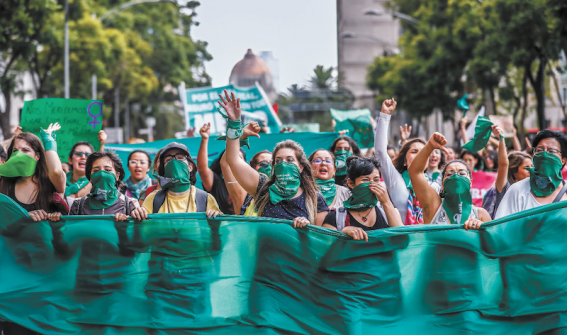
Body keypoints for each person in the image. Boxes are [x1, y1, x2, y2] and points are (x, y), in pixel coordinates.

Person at [219, 90, 328, 227]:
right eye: (278, 161)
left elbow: (323, 240)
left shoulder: (314, 199)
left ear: (300, 167)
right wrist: (235, 123)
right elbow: (233, 159)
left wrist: (307, 228)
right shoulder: (264, 189)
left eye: (290, 160)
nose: (283, 164)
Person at [0, 124, 67, 335]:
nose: (19, 155)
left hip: (46, 269)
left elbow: (57, 170)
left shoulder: (50, 183)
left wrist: (49, 140)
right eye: (15, 151)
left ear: (38, 156)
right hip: (13, 268)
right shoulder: (4, 185)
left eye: (26, 151)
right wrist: (22, 219)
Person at [374, 98, 440, 225]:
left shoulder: (435, 187)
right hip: (400, 242)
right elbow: (381, 152)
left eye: (423, 153)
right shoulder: (396, 181)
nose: (419, 156)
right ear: (404, 161)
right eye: (415, 151)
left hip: (426, 241)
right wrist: (385, 115)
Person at [408, 132, 491, 227]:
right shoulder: (433, 206)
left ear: (471, 182)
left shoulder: (481, 215)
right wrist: (429, 147)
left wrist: (482, 228)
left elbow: (494, 240)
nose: (456, 176)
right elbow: (415, 172)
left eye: (462, 173)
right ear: (442, 183)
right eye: (450, 174)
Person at [322, 156, 403, 241]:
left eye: (376, 180)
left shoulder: (387, 212)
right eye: (365, 180)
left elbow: (403, 239)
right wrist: (342, 233)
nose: (371, 184)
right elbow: (325, 249)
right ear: (351, 183)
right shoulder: (336, 217)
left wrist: (386, 202)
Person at [495, 130, 567, 219]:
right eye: (539, 150)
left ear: (563, 160)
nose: (544, 155)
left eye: (551, 151)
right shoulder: (518, 191)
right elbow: (502, 228)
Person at [142, 142, 221, 217]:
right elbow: (142, 228)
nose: (174, 162)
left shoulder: (205, 199)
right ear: (164, 169)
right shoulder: (153, 199)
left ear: (190, 167)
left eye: (180, 158)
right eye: (168, 160)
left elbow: (219, 229)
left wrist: (217, 218)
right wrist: (137, 214)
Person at [69, 152, 147, 221]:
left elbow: (137, 233)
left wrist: (127, 223)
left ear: (117, 175)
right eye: (96, 171)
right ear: (90, 178)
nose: (102, 174)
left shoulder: (130, 204)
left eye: (107, 170)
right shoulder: (78, 205)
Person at [197, 122, 247, 215]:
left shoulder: (250, 184)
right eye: (230, 158)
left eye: (239, 158)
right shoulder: (217, 182)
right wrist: (204, 138)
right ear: (222, 162)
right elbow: (202, 169)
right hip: (220, 227)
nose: (234, 161)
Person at [482, 139, 531, 218]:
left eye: (532, 166)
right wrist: (501, 139)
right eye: (526, 168)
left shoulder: (533, 189)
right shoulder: (505, 188)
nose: (531, 170)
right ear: (514, 173)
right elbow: (503, 165)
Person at [65, 130, 107, 205]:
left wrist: (102, 145)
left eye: (88, 155)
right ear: (70, 160)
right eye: (78, 154)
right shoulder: (59, 182)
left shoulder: (97, 184)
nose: (83, 157)